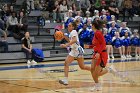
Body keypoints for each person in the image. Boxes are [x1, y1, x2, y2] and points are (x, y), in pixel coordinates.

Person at [85, 20, 117, 91]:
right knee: (92, 70)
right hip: (96, 53)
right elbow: (96, 44)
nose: (91, 26)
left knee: (97, 73)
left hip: (101, 54)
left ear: (93, 26)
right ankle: (97, 85)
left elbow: (103, 44)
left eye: (91, 25)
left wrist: (98, 53)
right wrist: (89, 46)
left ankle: (109, 69)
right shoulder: (95, 33)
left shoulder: (98, 33)